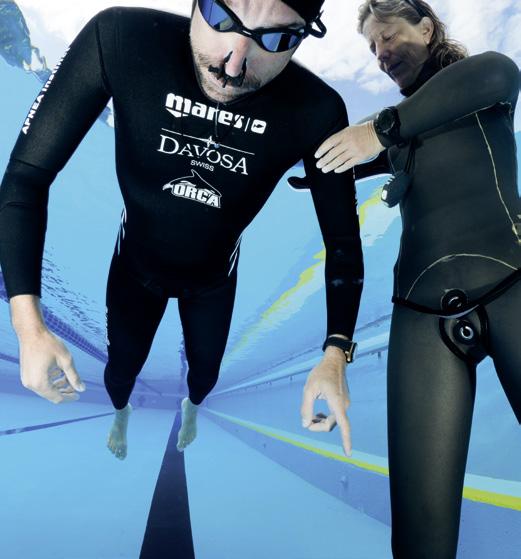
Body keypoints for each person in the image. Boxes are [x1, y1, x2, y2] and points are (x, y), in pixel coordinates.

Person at [0, 0, 363, 461]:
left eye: (276, 38)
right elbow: (26, 178)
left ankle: (192, 408)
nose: (233, 65)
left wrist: (335, 353)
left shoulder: (317, 110)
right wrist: (29, 328)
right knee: (120, 374)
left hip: (213, 283)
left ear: (305, 34)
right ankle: (121, 413)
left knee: (204, 378)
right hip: (134, 272)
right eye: (220, 18)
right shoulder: (122, 41)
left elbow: (342, 243)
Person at [305, 0, 520, 557]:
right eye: (372, 47)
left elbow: (501, 72)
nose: (381, 54)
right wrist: (319, 163)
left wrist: (379, 129)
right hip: (421, 315)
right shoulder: (398, 139)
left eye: (389, 37)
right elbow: (344, 158)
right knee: (418, 538)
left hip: (513, 284)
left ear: (426, 28)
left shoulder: (481, 85)